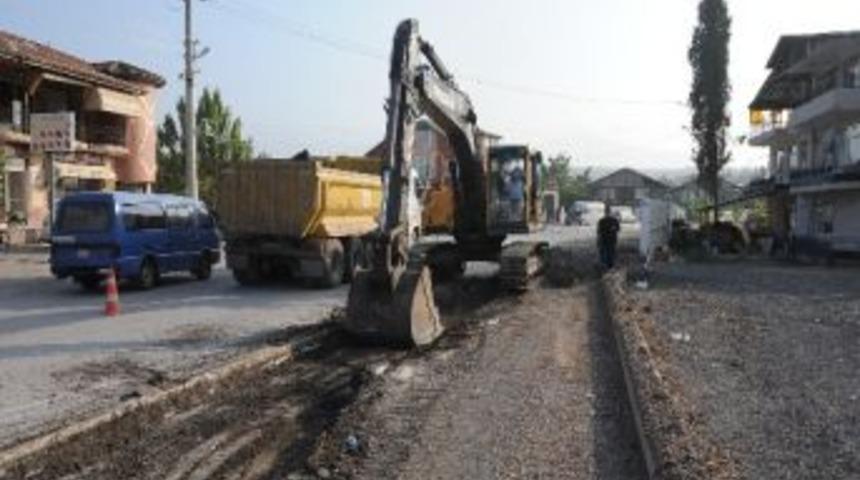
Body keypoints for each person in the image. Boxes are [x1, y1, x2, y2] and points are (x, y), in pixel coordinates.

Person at [597, 204, 620, 269]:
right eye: (606, 212)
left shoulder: (614, 220)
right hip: (605, 240)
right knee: (605, 253)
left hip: (611, 240)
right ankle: (605, 266)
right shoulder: (602, 221)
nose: (607, 213)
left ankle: (609, 266)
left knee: (610, 253)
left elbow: (618, 229)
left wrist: (614, 229)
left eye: (608, 212)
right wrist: (598, 240)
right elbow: (599, 231)